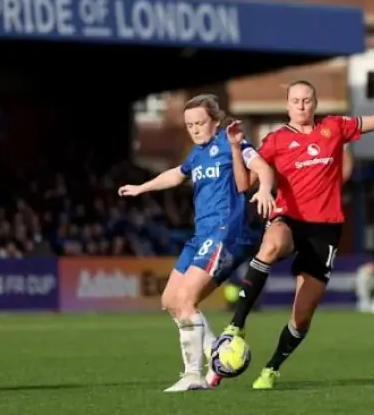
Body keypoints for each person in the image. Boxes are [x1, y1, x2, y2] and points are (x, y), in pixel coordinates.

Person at [218, 78, 374, 389]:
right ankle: (236, 326)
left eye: (307, 100)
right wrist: (235, 147)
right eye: (296, 100)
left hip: (325, 229)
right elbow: (245, 184)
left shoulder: (334, 127)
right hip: (288, 218)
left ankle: (272, 368)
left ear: (315, 103)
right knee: (272, 244)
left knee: (302, 317)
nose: (301, 105)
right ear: (287, 106)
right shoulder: (275, 141)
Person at [118, 93, 276, 392]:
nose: (194, 129)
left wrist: (265, 189)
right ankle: (216, 349)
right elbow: (176, 175)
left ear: (215, 122)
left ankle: (193, 374)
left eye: (200, 123)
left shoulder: (234, 145)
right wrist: (142, 187)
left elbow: (263, 169)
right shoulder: (197, 154)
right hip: (200, 236)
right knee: (170, 302)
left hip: (224, 233)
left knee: (187, 301)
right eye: (189, 124)